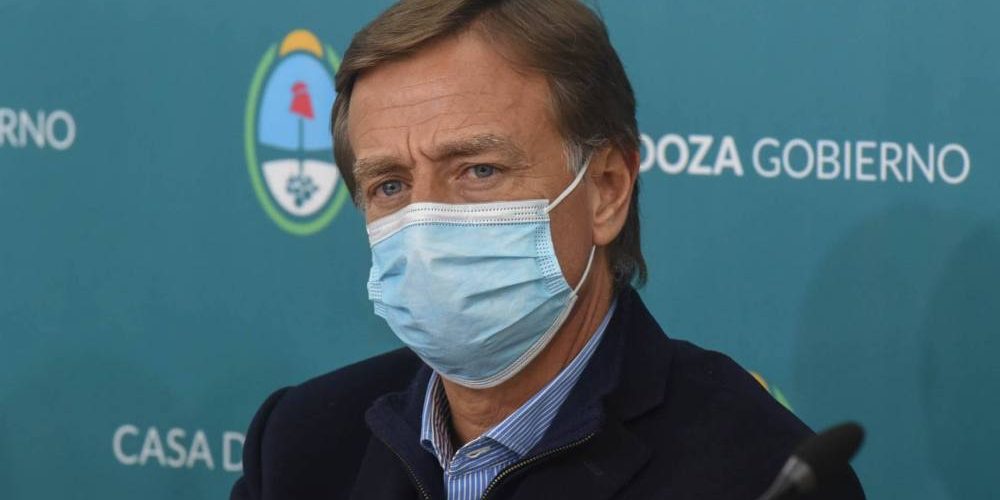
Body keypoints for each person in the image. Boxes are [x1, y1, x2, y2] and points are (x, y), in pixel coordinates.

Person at [231, 1, 866, 498]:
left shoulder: (758, 473)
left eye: (478, 170)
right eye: (390, 185)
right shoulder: (302, 443)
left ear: (606, 190)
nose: (426, 221)